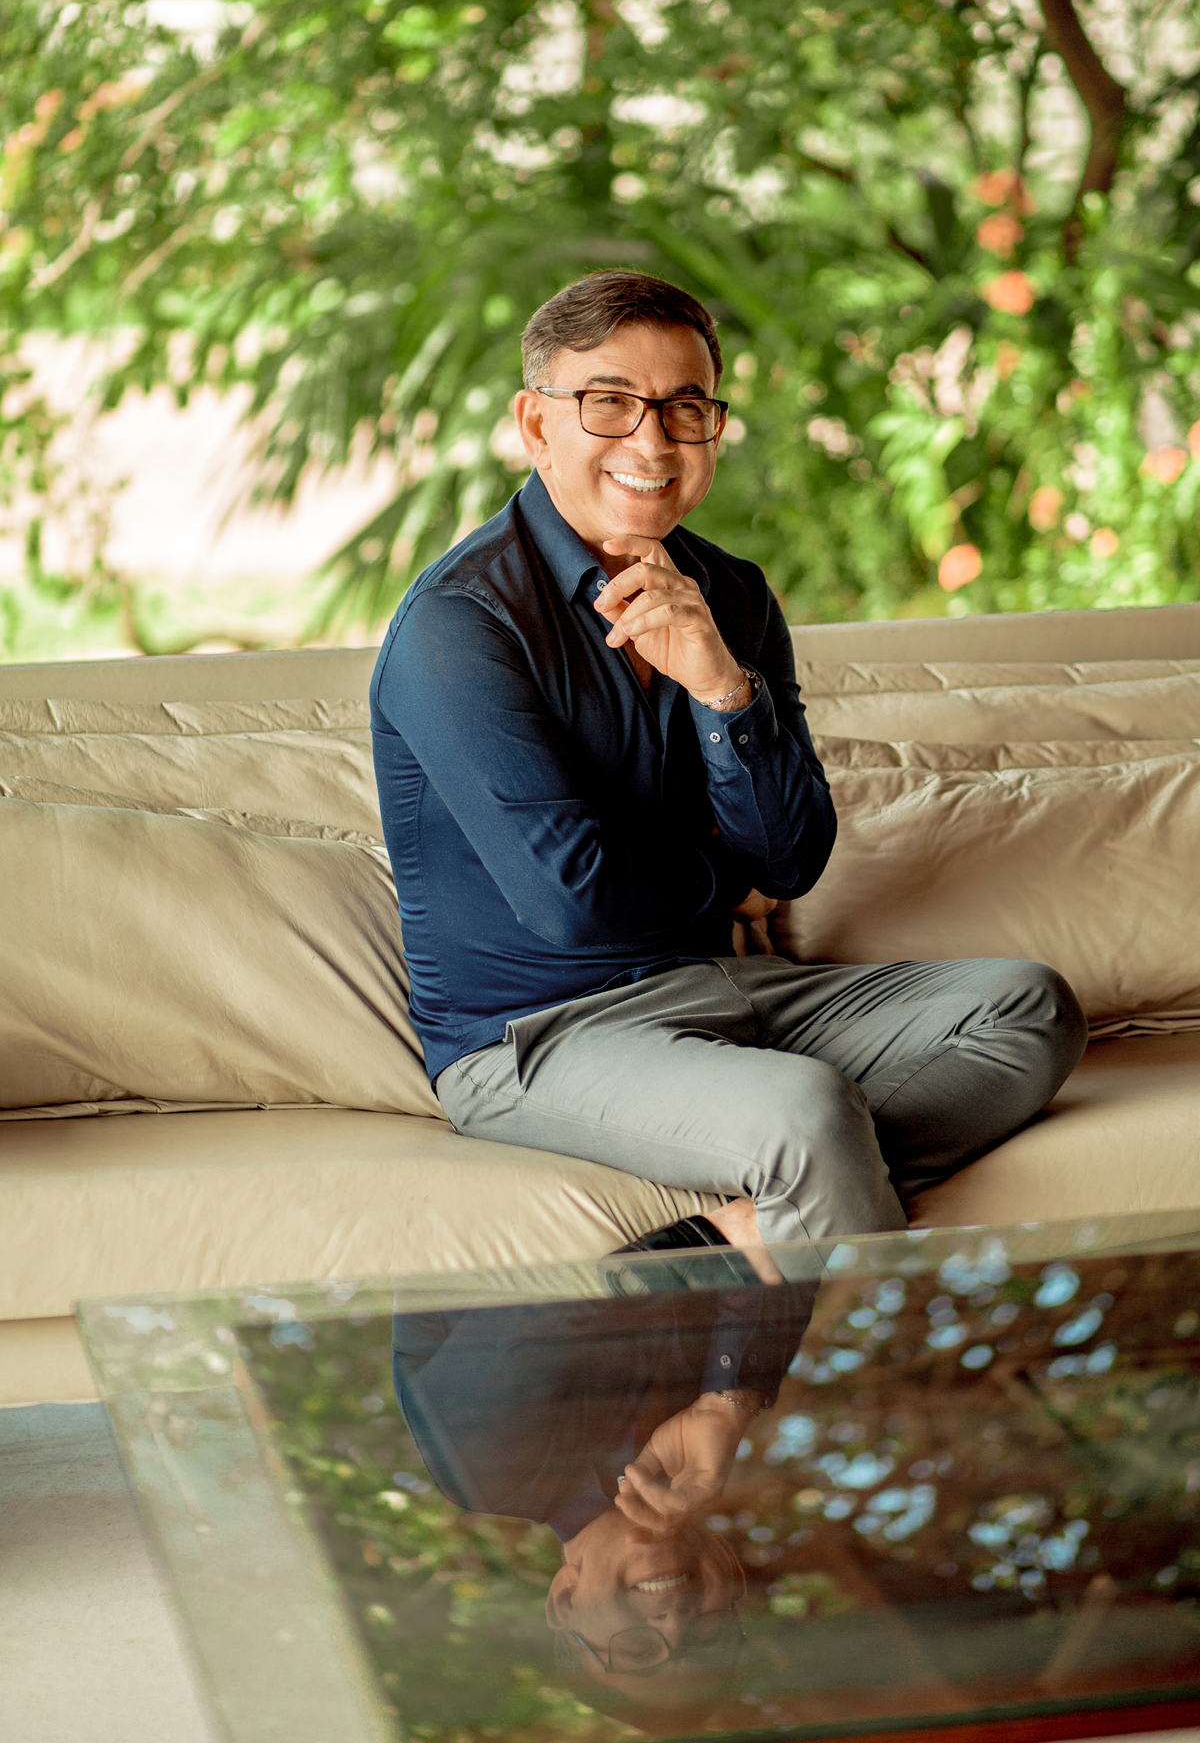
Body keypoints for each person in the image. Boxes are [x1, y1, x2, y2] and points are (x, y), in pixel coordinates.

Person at [370, 269, 1087, 1251]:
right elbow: (571, 902)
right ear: (537, 425)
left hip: (726, 987)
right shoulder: (460, 624)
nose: (652, 442)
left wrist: (722, 689)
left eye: (685, 408)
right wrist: (723, 877)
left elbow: (789, 863)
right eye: (609, 404)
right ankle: (855, 1334)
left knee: (1028, 1008)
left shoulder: (733, 596)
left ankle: (737, 1238)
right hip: (538, 1037)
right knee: (805, 1111)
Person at [392, 1262, 814, 1721]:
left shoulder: (487, 1473)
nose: (675, 1622)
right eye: (706, 1639)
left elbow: (566, 1272)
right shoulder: (718, 1410)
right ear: (731, 1569)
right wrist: (727, 1403)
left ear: (566, 1601)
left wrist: (721, 1243)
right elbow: (785, 1251)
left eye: (635, 1649)